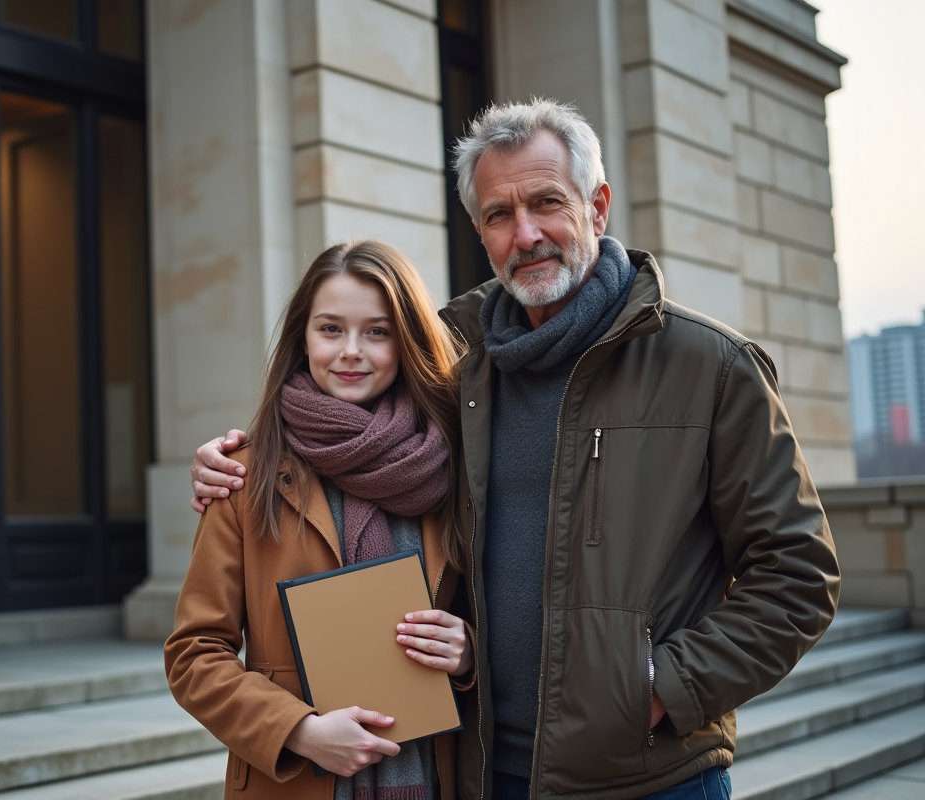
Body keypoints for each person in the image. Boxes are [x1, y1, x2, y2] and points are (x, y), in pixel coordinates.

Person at [190, 99, 841, 800]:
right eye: (499, 214)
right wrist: (231, 457)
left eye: (546, 203)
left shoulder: (708, 366)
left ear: (598, 206)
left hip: (646, 776)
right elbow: (348, 421)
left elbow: (798, 573)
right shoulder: (458, 374)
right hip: (482, 771)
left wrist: (664, 687)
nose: (525, 233)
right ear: (479, 231)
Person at [165, 240, 477, 800]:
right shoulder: (241, 477)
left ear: (406, 342)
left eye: (377, 332)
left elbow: (514, 617)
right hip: (296, 782)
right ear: (302, 338)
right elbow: (194, 656)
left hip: (434, 778)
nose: (351, 351)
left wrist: (468, 652)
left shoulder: (455, 465)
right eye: (330, 329)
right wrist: (298, 730)